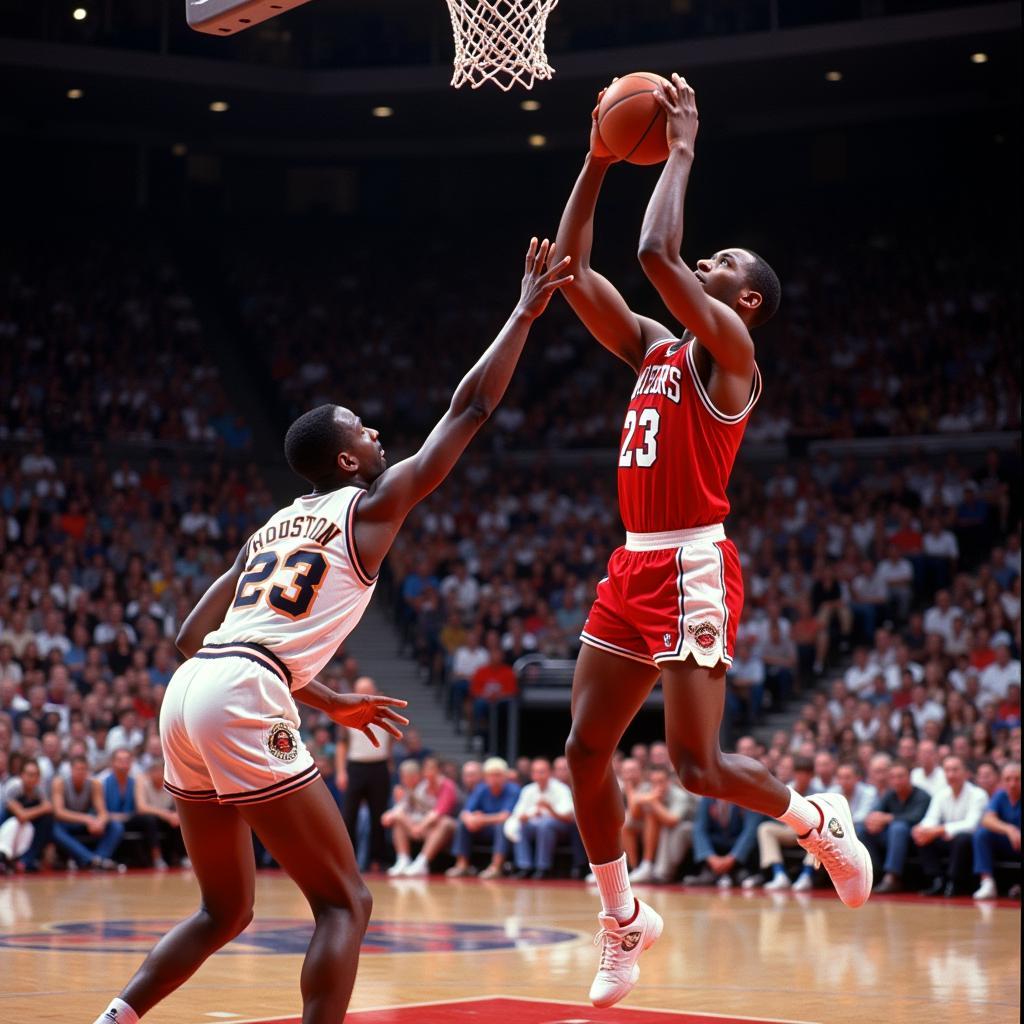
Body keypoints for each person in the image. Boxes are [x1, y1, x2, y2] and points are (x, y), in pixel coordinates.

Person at [88, 239, 570, 1024]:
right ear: (349, 459)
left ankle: (116, 1016)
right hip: (242, 691)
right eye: (365, 430)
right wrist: (523, 310)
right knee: (346, 901)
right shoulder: (371, 507)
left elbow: (187, 635)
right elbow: (471, 409)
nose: (378, 433)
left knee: (225, 911)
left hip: (188, 693)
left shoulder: (273, 526)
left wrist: (332, 697)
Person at [553, 74, 871, 1008]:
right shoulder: (656, 347)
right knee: (582, 752)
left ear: (746, 301)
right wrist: (595, 161)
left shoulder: (732, 352)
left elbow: (655, 250)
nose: (711, 258)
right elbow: (576, 272)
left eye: (725, 259)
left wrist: (682, 146)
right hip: (631, 560)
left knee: (696, 769)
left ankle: (818, 821)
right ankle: (623, 921)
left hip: (693, 560)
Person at [336, 677, 394, 871]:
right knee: (349, 815)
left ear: (375, 690)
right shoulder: (347, 712)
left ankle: (378, 860)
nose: (365, 693)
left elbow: (392, 738)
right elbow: (341, 745)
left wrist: (390, 761)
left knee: (379, 815)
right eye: (361, 690)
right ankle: (347, 860)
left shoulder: (385, 710)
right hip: (356, 767)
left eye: (368, 689)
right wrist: (341, 771)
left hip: (379, 767)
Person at [911, 755, 987, 896]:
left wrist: (940, 829)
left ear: (966, 773)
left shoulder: (978, 794)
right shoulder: (941, 794)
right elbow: (931, 818)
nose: (951, 774)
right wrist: (921, 828)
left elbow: (971, 825)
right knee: (922, 837)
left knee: (962, 838)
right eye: (947, 770)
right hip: (946, 838)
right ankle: (937, 880)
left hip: (970, 843)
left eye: (955, 770)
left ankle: (954, 882)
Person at [857, 759, 931, 894]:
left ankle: (892, 877)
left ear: (909, 777)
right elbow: (876, 813)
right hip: (891, 838)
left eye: (900, 776)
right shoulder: (890, 794)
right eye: (893, 777)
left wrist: (888, 818)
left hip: (915, 840)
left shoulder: (922, 795)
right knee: (862, 830)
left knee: (899, 827)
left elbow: (916, 817)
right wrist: (872, 822)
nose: (896, 780)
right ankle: (873, 873)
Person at [446, 756, 521, 879]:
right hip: (483, 828)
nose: (494, 778)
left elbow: (505, 816)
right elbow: (465, 812)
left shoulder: (513, 790)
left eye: (498, 775)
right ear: (485, 777)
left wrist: (481, 819)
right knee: (462, 824)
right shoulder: (481, 789)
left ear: (505, 776)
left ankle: (495, 867)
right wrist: (470, 819)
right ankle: (462, 865)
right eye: (490, 775)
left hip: (505, 831)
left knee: (502, 825)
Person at [383, 756, 457, 877]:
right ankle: (403, 860)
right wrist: (390, 814)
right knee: (397, 820)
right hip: (424, 828)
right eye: (426, 769)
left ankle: (422, 862)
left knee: (445, 822)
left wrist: (418, 827)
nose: (428, 772)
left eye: (432, 769)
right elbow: (403, 807)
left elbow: (438, 813)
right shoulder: (421, 786)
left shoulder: (448, 786)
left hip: (446, 830)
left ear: (439, 771)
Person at [624, 764, 696, 884]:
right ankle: (635, 869)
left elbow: (672, 821)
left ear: (669, 781)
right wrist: (635, 793)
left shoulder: (679, 795)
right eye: (654, 782)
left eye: (661, 782)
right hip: (656, 828)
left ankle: (647, 865)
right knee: (626, 826)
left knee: (652, 815)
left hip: (680, 830)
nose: (657, 786)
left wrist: (652, 802)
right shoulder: (647, 788)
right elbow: (634, 812)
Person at [507, 757, 575, 879]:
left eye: (542, 771)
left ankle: (543, 868)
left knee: (545, 824)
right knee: (521, 826)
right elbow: (518, 814)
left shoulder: (561, 789)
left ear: (550, 772)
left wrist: (550, 809)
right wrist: (529, 815)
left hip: (561, 827)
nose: (539, 775)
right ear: (532, 774)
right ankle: (524, 866)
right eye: (536, 772)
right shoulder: (528, 790)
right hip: (535, 825)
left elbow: (568, 816)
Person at [51, 754, 123, 871]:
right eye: (77, 769)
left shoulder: (95, 784)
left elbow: (103, 812)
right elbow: (58, 812)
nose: (80, 772)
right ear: (71, 769)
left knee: (116, 826)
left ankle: (99, 858)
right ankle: (92, 860)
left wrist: (99, 822)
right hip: (68, 823)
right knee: (53, 829)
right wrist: (86, 818)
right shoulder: (60, 783)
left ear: (87, 771)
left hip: (86, 824)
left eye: (83, 769)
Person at [684, 796, 760, 888]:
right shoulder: (708, 798)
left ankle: (745, 873)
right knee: (698, 834)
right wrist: (710, 857)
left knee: (757, 835)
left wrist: (732, 858)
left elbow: (750, 831)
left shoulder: (748, 797)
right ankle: (710, 871)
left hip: (740, 847)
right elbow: (700, 828)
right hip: (718, 845)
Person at [972, 761, 1021, 900]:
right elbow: (987, 820)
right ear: (1002, 781)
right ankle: (987, 883)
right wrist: (1009, 829)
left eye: (1017, 779)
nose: (1012, 783)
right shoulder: (1000, 796)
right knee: (981, 833)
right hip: (1007, 843)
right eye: (1008, 779)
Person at [0, 759, 53, 873]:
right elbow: (21, 816)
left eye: (34, 775)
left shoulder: (40, 790)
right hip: (7, 824)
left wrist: (32, 813)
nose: (31, 778)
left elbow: (49, 808)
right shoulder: (13, 786)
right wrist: (41, 809)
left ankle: (26, 860)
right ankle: (4, 857)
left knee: (47, 820)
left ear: (38, 778)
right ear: (21, 775)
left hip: (27, 826)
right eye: (28, 774)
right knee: (13, 822)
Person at [136, 758, 188, 868]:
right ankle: (157, 857)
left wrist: (176, 815)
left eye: (159, 770)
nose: (156, 773)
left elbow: (179, 805)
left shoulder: (171, 783)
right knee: (150, 820)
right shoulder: (143, 783)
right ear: (149, 773)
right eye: (153, 770)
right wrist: (165, 814)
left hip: (165, 818)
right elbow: (141, 808)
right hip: (148, 818)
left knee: (180, 819)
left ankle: (183, 856)